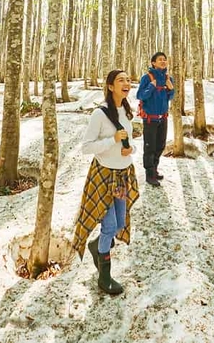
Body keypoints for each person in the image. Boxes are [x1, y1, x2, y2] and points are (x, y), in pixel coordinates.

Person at [72, 69, 141, 295]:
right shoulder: (99, 114)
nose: (126, 83)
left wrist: (131, 149)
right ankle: (104, 277)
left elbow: (128, 143)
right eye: (121, 80)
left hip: (121, 177)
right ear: (110, 86)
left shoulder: (126, 112)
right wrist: (112, 140)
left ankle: (97, 246)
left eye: (128, 80)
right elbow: (86, 147)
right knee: (110, 225)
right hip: (103, 178)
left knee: (119, 224)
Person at [136, 51, 175, 186]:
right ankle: (149, 174)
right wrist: (151, 87)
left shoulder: (168, 78)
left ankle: (155, 170)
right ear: (153, 63)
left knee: (160, 145)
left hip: (163, 118)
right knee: (150, 147)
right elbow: (140, 95)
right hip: (150, 119)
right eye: (160, 59)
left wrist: (171, 89)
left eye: (165, 59)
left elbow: (170, 97)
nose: (163, 61)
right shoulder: (147, 77)